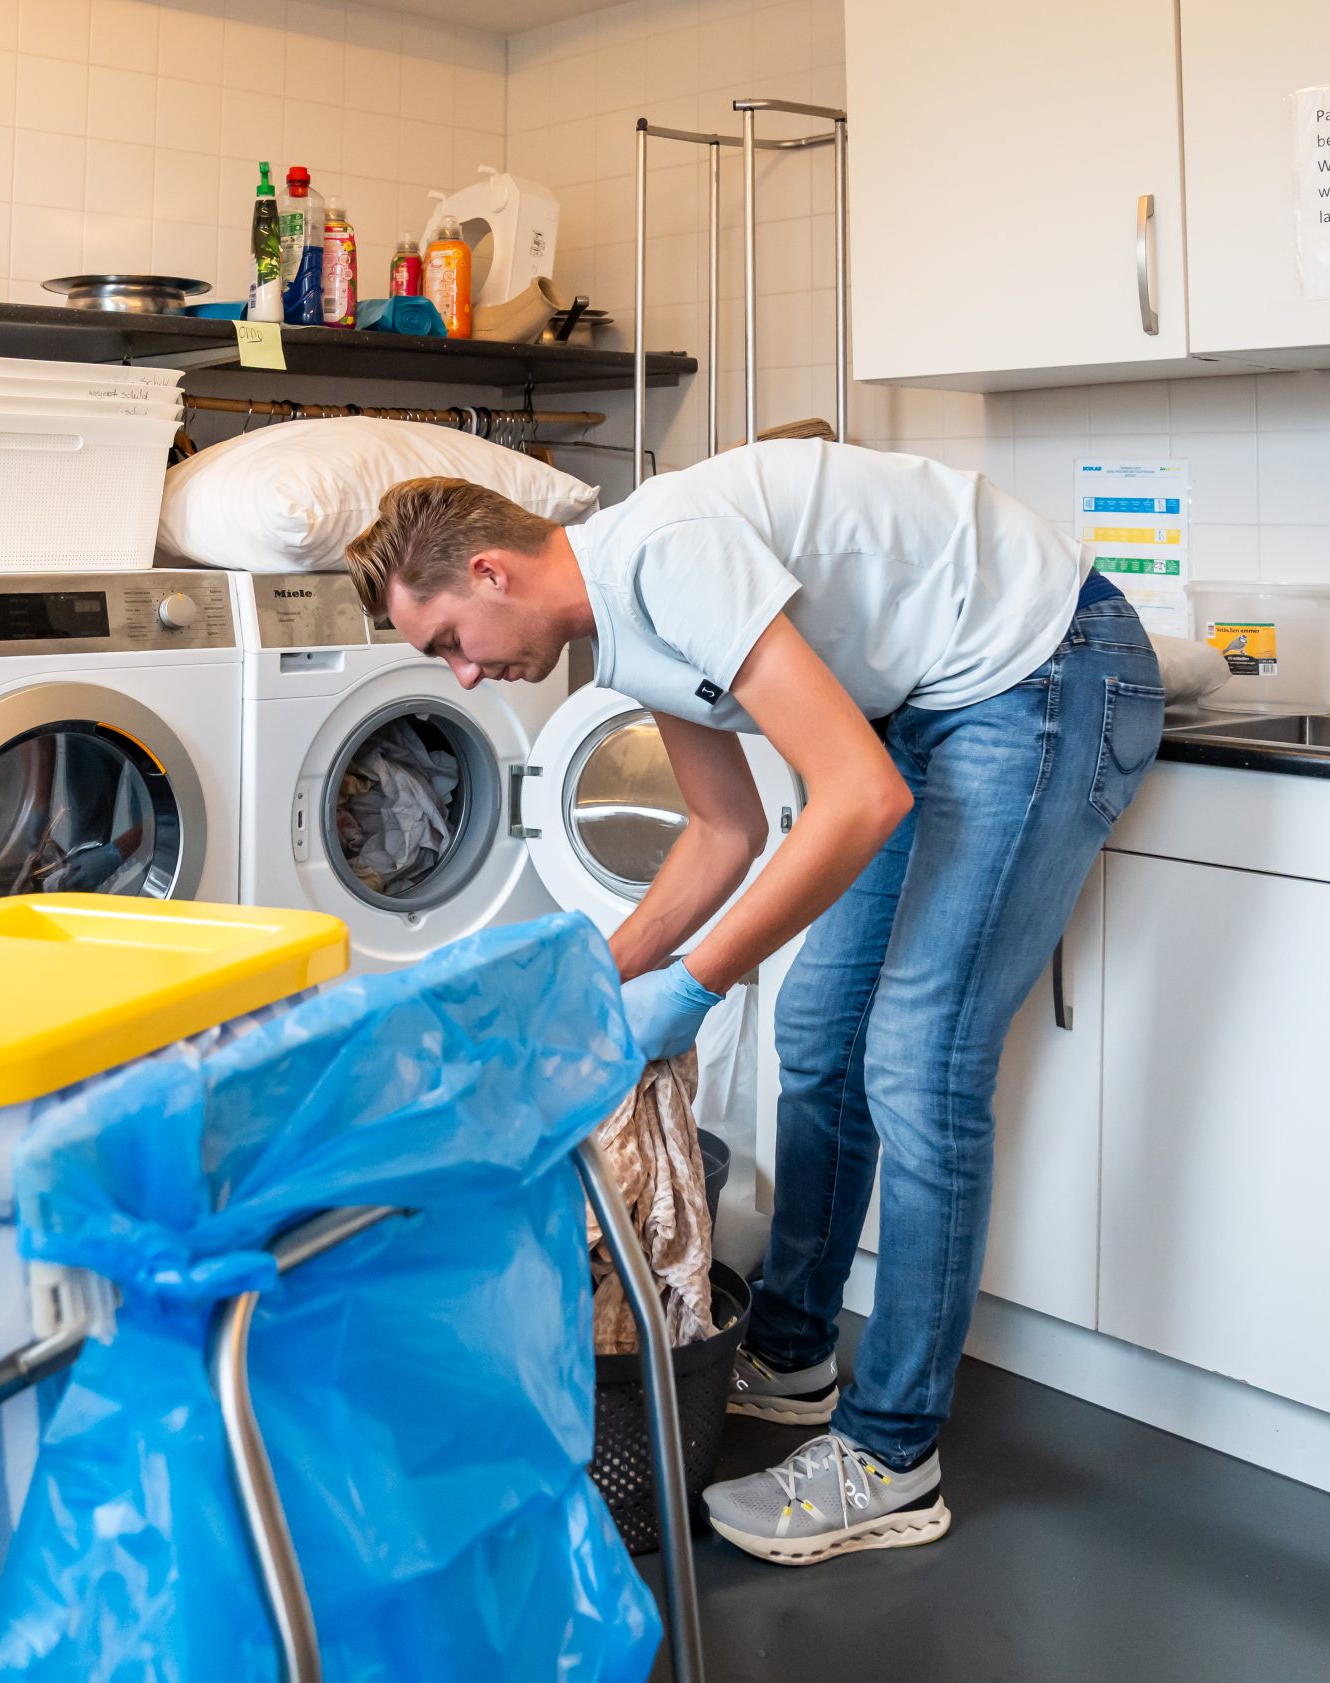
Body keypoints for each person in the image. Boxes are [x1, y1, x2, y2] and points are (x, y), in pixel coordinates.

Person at [343, 438, 1165, 1567]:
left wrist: (691, 984)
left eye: (449, 645)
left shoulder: (666, 558)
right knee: (817, 1034)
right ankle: (789, 1350)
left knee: (918, 1066)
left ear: (488, 572)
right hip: (934, 705)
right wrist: (596, 980)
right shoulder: (620, 638)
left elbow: (859, 796)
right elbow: (720, 834)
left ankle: (890, 1456)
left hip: (1044, 670)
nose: (465, 675)